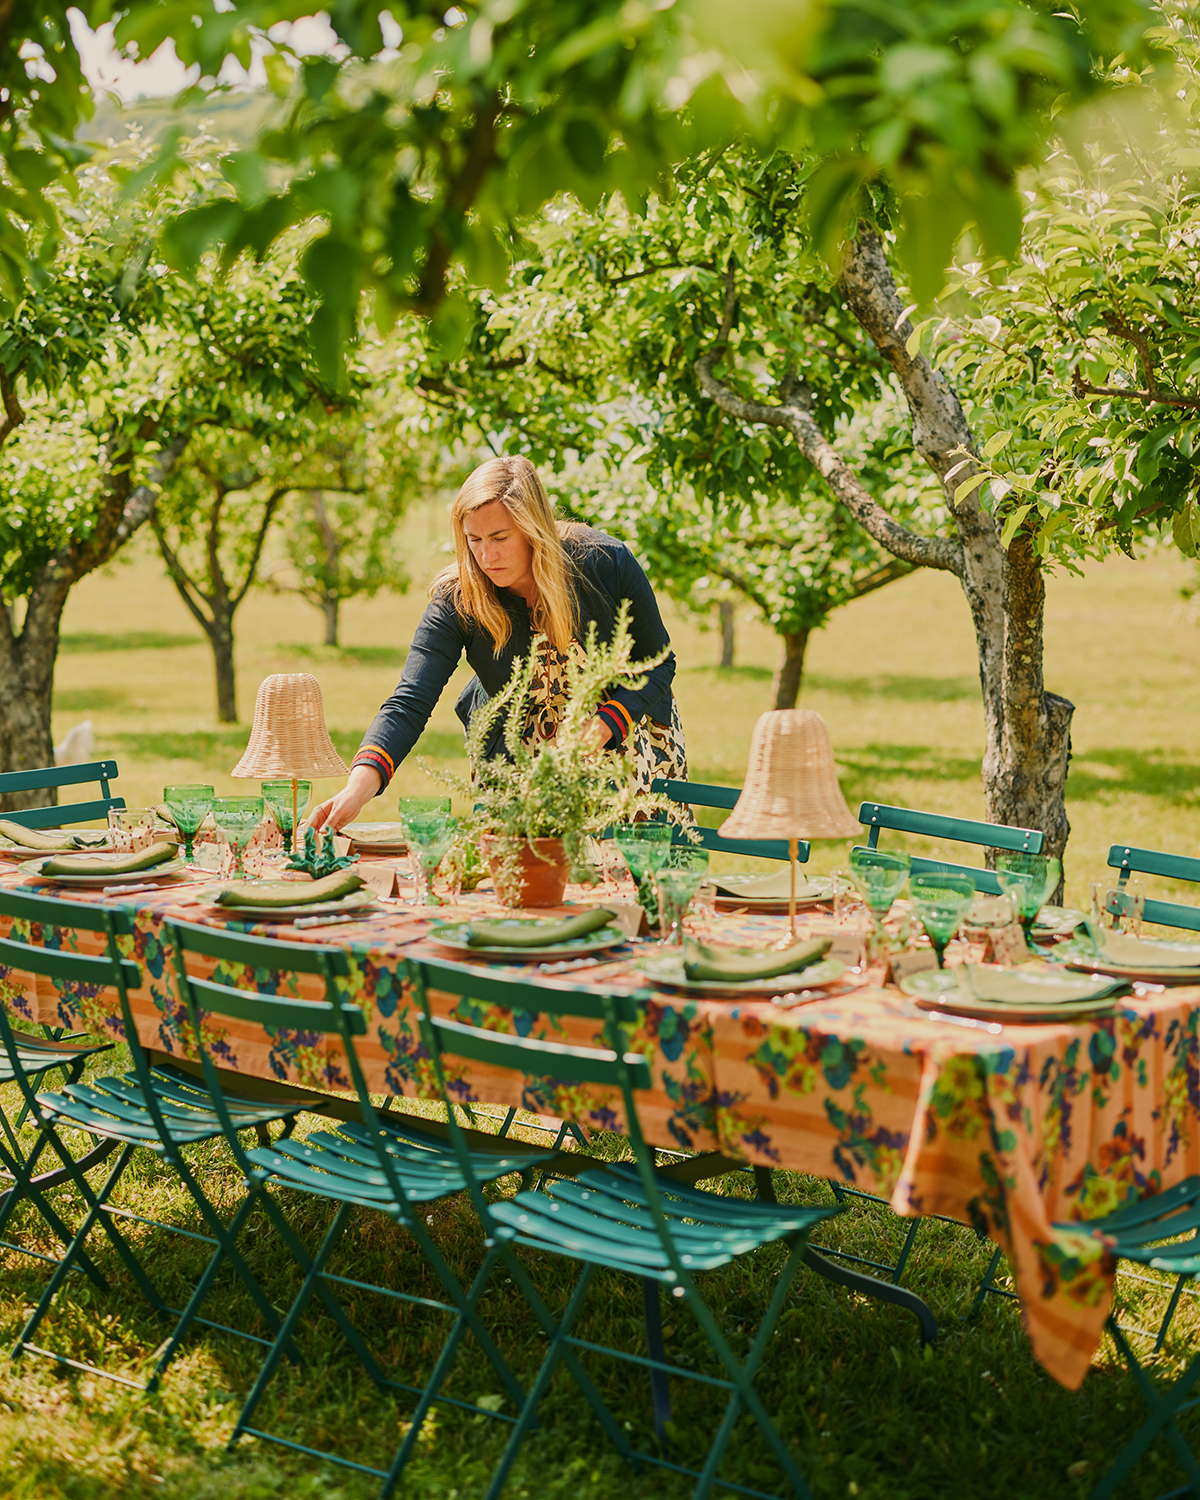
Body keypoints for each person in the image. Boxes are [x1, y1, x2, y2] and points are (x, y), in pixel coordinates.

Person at [308, 454, 688, 831]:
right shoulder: (459, 598)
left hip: (622, 738)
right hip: (517, 758)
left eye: (500, 538)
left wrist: (605, 725)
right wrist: (358, 786)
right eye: (474, 540)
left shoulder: (605, 563)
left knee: (628, 881)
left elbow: (657, 662)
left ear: (533, 528)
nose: (487, 556)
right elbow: (410, 700)